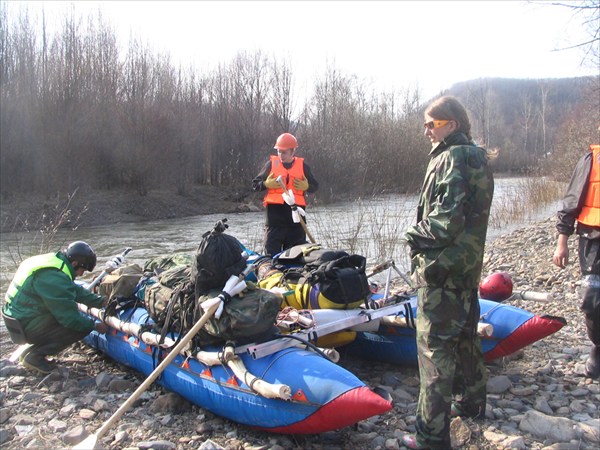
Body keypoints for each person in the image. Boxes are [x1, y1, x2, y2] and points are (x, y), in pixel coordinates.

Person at [402, 96, 495, 450]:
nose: (426, 130)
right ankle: (472, 404)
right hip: (468, 266)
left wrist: (411, 236)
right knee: (466, 337)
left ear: (451, 125)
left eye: (432, 124)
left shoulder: (450, 158)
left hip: (440, 270)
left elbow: (444, 222)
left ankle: (430, 437)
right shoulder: (478, 158)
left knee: (434, 352)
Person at [2, 241, 109, 374]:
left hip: (19, 317)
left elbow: (73, 290)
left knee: (75, 320)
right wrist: (94, 325)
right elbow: (69, 318)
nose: (81, 275)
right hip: (25, 323)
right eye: (82, 270)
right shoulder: (52, 276)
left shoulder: (54, 263)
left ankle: (30, 353)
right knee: (78, 326)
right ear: (75, 263)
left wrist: (100, 301)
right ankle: (35, 357)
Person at [552, 126, 599, 379]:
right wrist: (562, 241)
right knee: (591, 299)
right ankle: (598, 346)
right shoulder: (589, 161)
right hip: (593, 240)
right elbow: (571, 204)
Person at [252, 132, 319, 256]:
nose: (280, 155)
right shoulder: (271, 165)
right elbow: (255, 185)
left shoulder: (303, 166)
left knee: (296, 259)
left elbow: (315, 186)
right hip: (274, 222)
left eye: (284, 152)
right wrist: (266, 184)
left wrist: (307, 187)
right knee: (271, 258)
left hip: (296, 224)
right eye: (279, 151)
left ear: (292, 152)